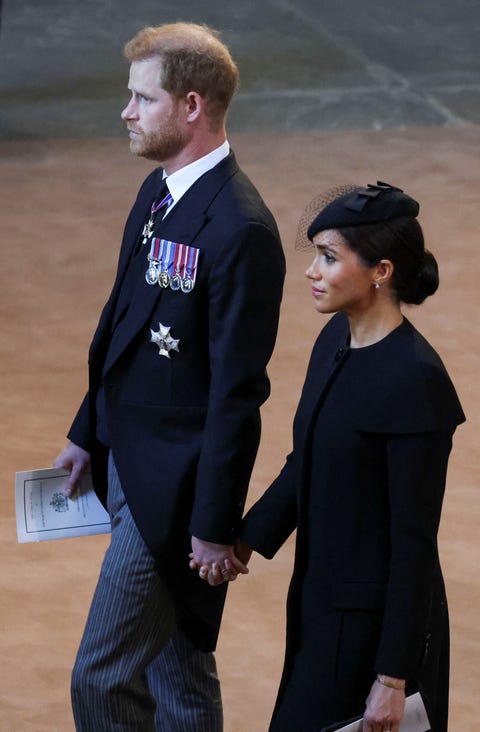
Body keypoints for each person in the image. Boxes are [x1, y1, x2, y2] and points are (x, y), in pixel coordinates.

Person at [54, 22, 285, 732]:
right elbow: (122, 325)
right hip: (126, 461)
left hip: (175, 496)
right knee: (177, 667)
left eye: (140, 98)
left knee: (101, 675)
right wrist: (88, 431)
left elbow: (236, 393)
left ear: (190, 105)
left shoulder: (239, 228)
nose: (126, 111)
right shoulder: (160, 194)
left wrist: (214, 527)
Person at [203, 182, 465, 731]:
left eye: (328, 257)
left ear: (381, 272)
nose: (311, 272)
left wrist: (393, 679)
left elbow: (413, 544)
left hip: (375, 636)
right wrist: (244, 542)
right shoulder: (335, 343)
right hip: (321, 608)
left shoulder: (417, 382)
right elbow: (309, 460)